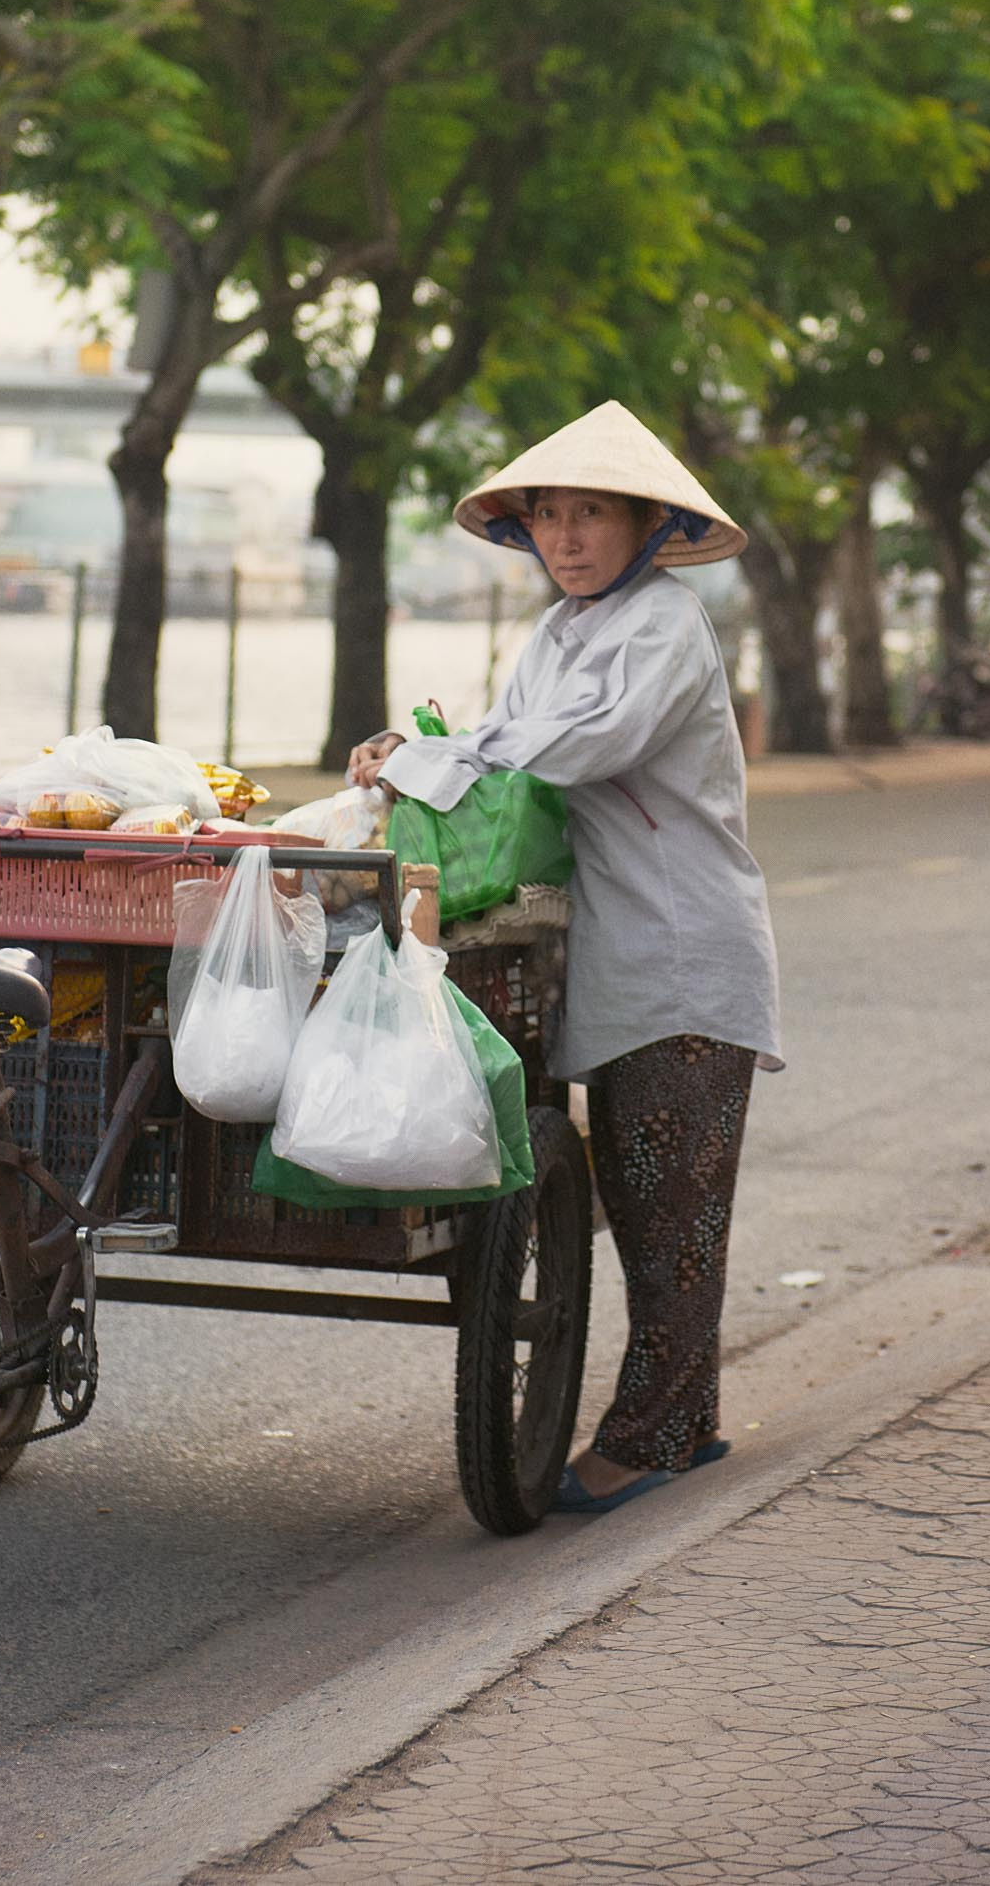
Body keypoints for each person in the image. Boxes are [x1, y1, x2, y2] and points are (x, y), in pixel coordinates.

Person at [348, 400, 780, 1515]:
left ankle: (651, 1437)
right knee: (645, 1209)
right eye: (547, 515)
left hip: (685, 957)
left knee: (671, 1215)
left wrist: (435, 756)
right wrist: (421, 756)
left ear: (646, 525)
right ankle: (687, 1418)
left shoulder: (666, 624)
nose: (567, 537)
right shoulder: (556, 633)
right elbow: (501, 772)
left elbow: (583, 744)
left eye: (591, 514)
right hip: (618, 957)